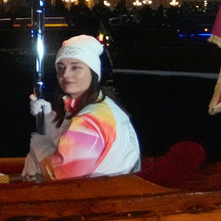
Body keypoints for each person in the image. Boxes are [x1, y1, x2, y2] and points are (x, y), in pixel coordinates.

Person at [24, 34, 140, 181]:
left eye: (76, 67)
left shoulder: (90, 119)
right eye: (61, 68)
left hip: (97, 196)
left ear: (93, 72)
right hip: (113, 189)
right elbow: (70, 142)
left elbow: (62, 178)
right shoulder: (102, 105)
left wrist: (38, 144)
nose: (66, 74)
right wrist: (47, 116)